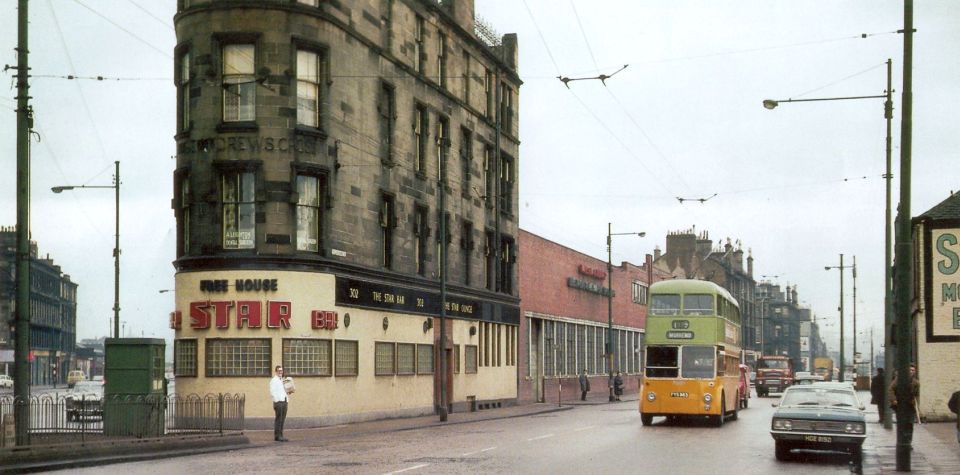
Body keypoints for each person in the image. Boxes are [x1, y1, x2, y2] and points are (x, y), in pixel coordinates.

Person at [270, 365, 290, 442]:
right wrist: (277, 400)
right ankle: (277, 436)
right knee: (279, 419)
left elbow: (285, 390)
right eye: (279, 371)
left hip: (285, 401)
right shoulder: (274, 380)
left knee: (283, 419)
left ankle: (281, 435)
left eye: (281, 371)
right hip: (279, 402)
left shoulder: (283, 380)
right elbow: (272, 391)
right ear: (276, 371)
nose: (280, 372)